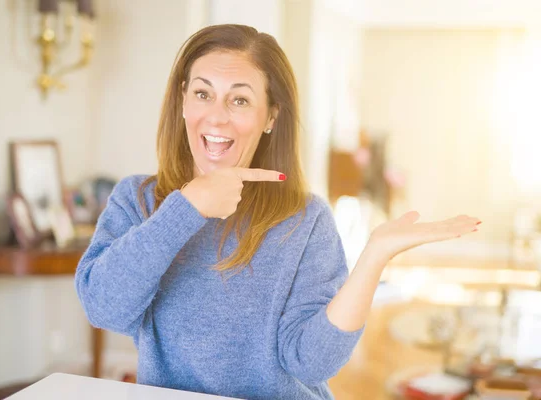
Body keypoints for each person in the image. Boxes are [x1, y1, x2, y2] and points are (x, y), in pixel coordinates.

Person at [74, 24, 481, 400]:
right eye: (202, 93)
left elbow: (312, 362)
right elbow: (103, 307)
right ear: (182, 99)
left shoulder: (305, 220)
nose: (216, 115)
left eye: (239, 99)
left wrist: (374, 256)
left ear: (270, 116)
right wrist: (187, 208)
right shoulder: (139, 200)